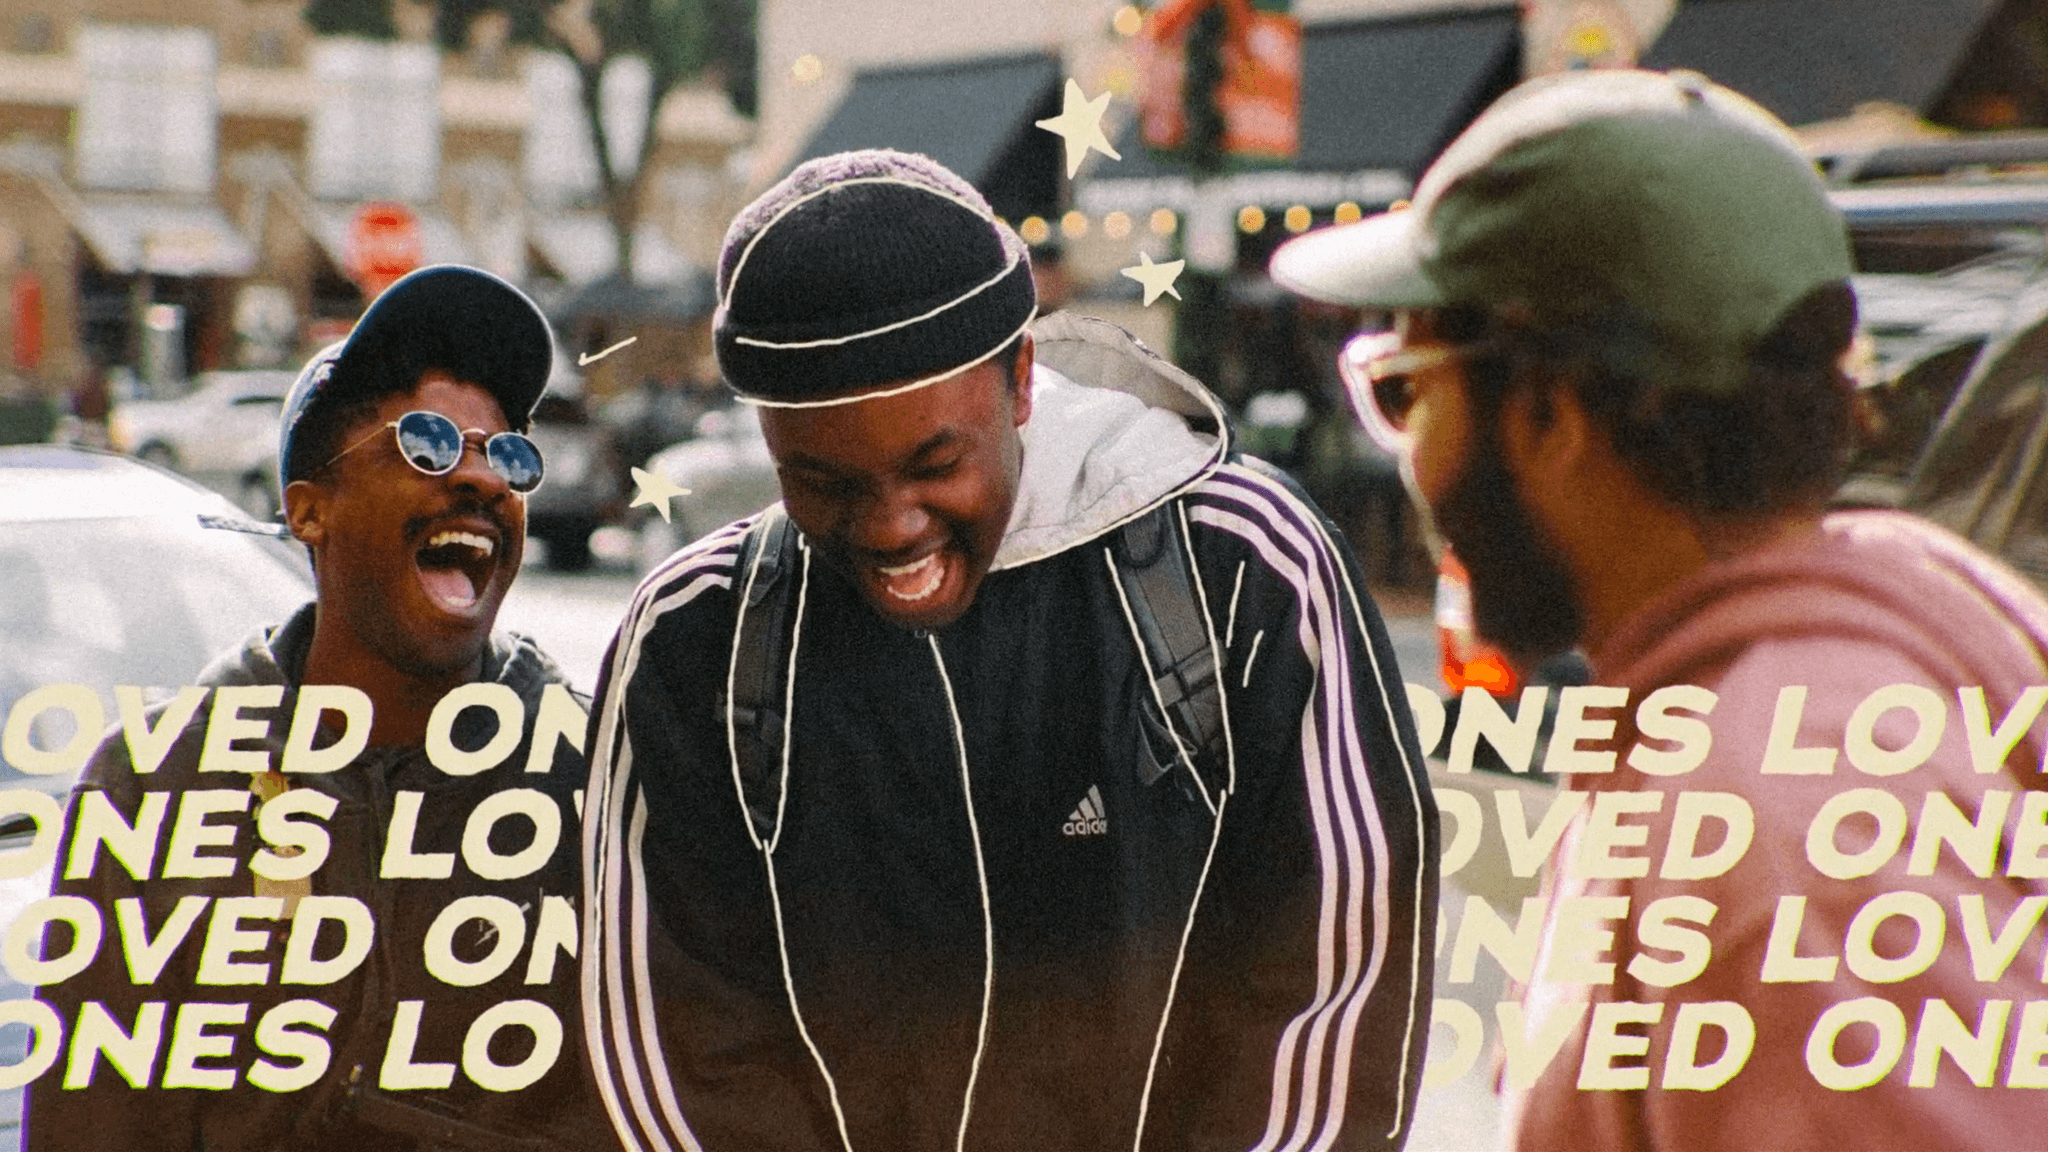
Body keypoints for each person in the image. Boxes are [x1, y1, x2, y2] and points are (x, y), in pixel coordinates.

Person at [582, 149, 1436, 1151]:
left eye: (935, 463)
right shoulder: (692, 639)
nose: (892, 525)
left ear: (1021, 379)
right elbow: (676, 1047)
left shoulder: (1242, 565)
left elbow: (1336, 980)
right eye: (825, 482)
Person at [1272, 69, 2048, 1151]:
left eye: (1405, 389)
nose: (1410, 460)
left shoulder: (1775, 830)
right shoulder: (1873, 634)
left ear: (1552, 412)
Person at [29, 265, 611, 1151]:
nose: (482, 479)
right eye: (425, 444)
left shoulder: (597, 776)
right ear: (309, 512)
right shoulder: (157, 785)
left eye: (508, 456)